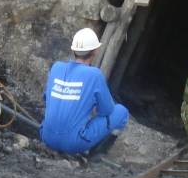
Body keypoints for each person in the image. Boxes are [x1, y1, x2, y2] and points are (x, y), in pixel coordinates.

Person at [40, 27, 130, 155]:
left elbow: (46, 98)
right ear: (95, 51)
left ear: (73, 50)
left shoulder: (56, 67)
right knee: (121, 111)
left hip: (46, 136)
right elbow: (107, 110)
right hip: (73, 143)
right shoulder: (95, 75)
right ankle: (97, 151)